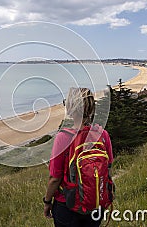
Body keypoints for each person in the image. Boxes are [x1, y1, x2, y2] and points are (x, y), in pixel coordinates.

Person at [43, 87, 114, 227]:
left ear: (71, 108)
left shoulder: (63, 138)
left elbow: (54, 179)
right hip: (95, 202)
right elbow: (108, 167)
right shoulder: (102, 134)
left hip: (67, 205)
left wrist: (47, 202)